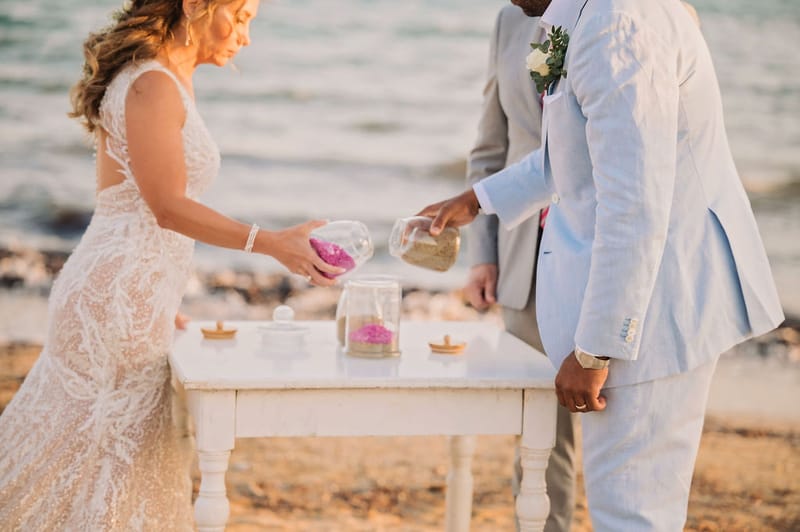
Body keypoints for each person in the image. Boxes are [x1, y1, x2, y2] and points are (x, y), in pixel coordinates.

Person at [419, 0, 784, 529]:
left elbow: (634, 210)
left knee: (633, 513)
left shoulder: (619, 29)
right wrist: (476, 200)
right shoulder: (575, 18)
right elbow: (566, 154)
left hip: (661, 307)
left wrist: (592, 352)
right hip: (643, 296)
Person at [0, 0, 343, 528]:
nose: (245, 38)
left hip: (126, 298)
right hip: (112, 301)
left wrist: (160, 300)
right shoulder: (152, 82)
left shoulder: (163, 78)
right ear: (197, 5)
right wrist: (271, 242)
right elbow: (165, 208)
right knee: (95, 461)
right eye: (243, 16)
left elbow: (126, 205)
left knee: (100, 466)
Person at [464, 5, 575, 531]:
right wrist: (483, 252)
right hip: (523, 264)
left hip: (598, 261)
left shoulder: (609, 16)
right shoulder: (511, 21)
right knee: (540, 442)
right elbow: (491, 149)